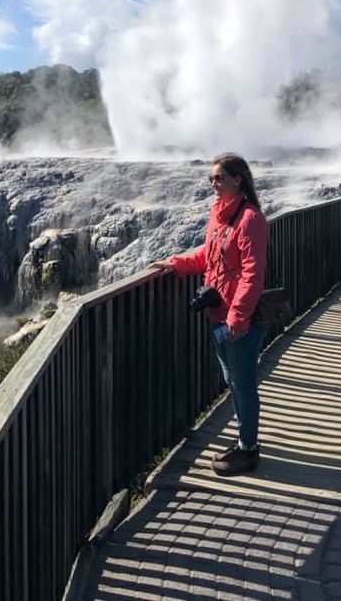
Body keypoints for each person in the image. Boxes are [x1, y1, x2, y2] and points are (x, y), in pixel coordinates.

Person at [149, 153, 268, 476]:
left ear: (237, 180)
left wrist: (238, 317)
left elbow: (251, 274)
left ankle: (249, 449)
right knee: (233, 380)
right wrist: (177, 264)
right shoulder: (218, 215)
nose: (214, 184)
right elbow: (207, 257)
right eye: (212, 179)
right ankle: (245, 438)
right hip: (218, 314)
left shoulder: (250, 219)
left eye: (219, 178)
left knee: (242, 384)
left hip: (238, 320)